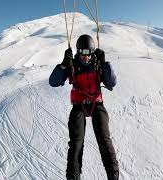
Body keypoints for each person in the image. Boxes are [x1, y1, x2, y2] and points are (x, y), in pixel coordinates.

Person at [49, 34, 119, 180]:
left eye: (88, 53)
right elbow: (53, 82)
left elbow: (111, 83)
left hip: (96, 103)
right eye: (81, 53)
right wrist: (63, 65)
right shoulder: (72, 64)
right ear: (78, 51)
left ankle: (113, 175)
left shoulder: (98, 63)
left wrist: (105, 64)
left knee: (104, 139)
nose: (85, 57)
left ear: (92, 52)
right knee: (76, 142)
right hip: (79, 104)